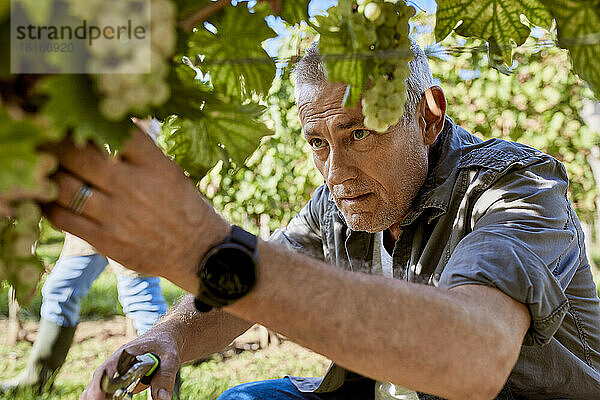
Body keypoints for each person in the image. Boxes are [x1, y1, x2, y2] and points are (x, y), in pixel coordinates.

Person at [40, 42, 599, 400]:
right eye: (317, 142)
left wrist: (200, 244)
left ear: (428, 116)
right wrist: (166, 336)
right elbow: (240, 292)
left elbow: (474, 357)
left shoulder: (516, 188)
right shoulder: (339, 200)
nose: (335, 170)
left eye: (359, 134)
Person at [0, 233, 168, 394]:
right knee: (60, 291)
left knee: (141, 298)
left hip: (124, 218)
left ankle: (164, 391)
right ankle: (37, 380)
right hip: (88, 220)